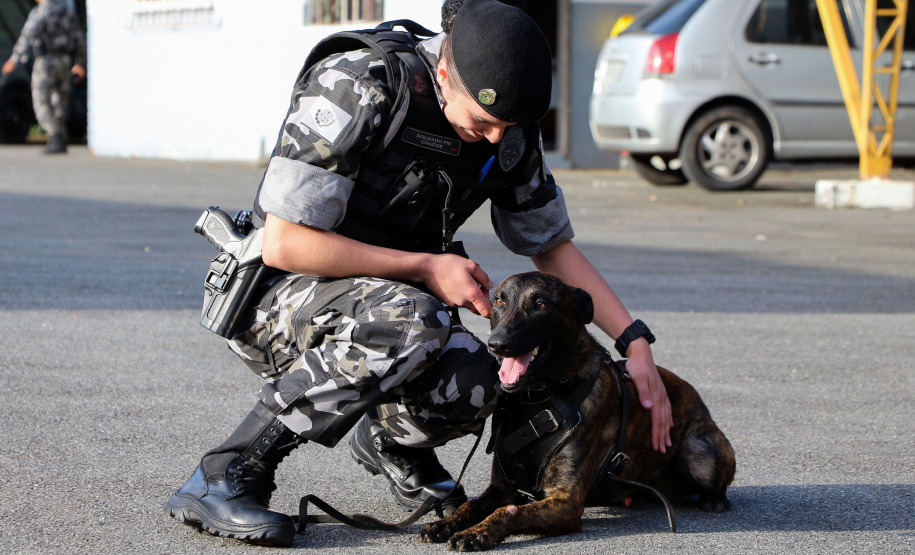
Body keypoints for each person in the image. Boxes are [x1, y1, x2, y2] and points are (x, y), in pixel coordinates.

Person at [164, 0, 672, 546]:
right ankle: (226, 472)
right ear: (446, 72)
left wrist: (634, 341)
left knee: (478, 382)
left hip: (388, 307)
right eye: (484, 121)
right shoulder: (360, 82)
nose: (499, 139)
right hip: (277, 299)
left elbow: (550, 245)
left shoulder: (507, 126)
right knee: (413, 320)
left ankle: (388, 443)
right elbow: (286, 243)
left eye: (511, 126)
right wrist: (426, 267)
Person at [1, 0, 86, 154]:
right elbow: (78, 38)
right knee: (59, 100)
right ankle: (60, 137)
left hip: (46, 61)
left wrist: (14, 59)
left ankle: (55, 135)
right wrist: (80, 63)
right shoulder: (67, 12)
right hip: (65, 61)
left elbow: (28, 36)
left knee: (41, 98)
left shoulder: (41, 11)